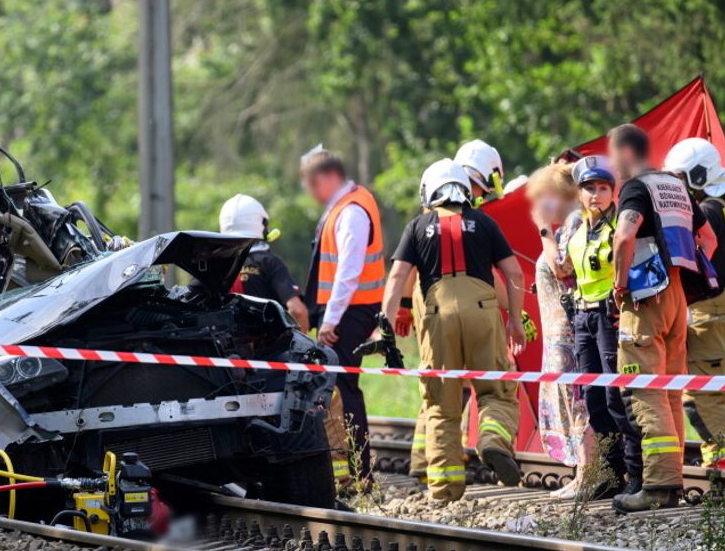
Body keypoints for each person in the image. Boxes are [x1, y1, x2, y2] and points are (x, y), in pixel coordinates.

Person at [384, 159, 527, 501]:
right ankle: (492, 440)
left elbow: (397, 279)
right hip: (482, 313)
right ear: (464, 190)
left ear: (429, 191)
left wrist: (384, 330)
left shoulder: (417, 226)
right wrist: (515, 320)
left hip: (437, 318)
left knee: (441, 406)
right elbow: (515, 274)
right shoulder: (485, 222)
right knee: (497, 390)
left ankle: (445, 490)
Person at [608, 125, 717, 513]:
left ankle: (656, 488)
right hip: (675, 296)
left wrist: (619, 286)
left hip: (644, 299)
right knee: (670, 391)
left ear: (624, 152)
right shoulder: (676, 186)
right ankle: (671, 484)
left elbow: (624, 237)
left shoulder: (636, 188)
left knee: (643, 389)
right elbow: (709, 241)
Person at [409, 138, 511, 481]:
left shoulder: (431, 208)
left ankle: (430, 467)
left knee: (439, 389)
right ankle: (490, 440)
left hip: (433, 303)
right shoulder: (475, 213)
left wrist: (398, 309)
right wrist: (511, 312)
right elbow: (490, 273)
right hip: (468, 300)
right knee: (484, 388)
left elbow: (404, 270)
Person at [664, 138, 725, 466]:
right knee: (716, 392)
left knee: (700, 397)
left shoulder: (705, 212)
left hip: (706, 309)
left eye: (680, 179)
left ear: (698, 176)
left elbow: (688, 258)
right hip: (721, 304)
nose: (677, 187)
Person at [302, 147, 385, 482]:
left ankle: (357, 472)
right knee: (340, 387)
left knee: (343, 388)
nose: (310, 192)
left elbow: (348, 273)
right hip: (350, 311)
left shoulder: (351, 210)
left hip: (350, 313)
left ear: (327, 178)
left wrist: (330, 321)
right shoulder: (346, 205)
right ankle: (353, 470)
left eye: (311, 184)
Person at [560, 156, 639, 497]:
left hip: (609, 316)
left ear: (612, 192)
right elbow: (566, 269)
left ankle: (635, 475)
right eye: (590, 188)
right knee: (592, 397)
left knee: (614, 396)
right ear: (580, 194)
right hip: (582, 318)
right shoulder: (578, 231)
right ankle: (610, 475)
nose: (596, 194)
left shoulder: (616, 227)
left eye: (603, 187)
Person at [526, 163, 594, 497]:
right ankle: (583, 470)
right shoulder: (570, 223)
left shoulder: (574, 222)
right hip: (558, 330)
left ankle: (588, 474)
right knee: (569, 398)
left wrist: (542, 230)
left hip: (569, 329)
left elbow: (562, 267)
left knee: (576, 398)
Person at [218, 194, 309, 332]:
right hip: (270, 352)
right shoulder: (269, 262)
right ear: (261, 225)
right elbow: (297, 311)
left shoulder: (214, 264)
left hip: (224, 351)